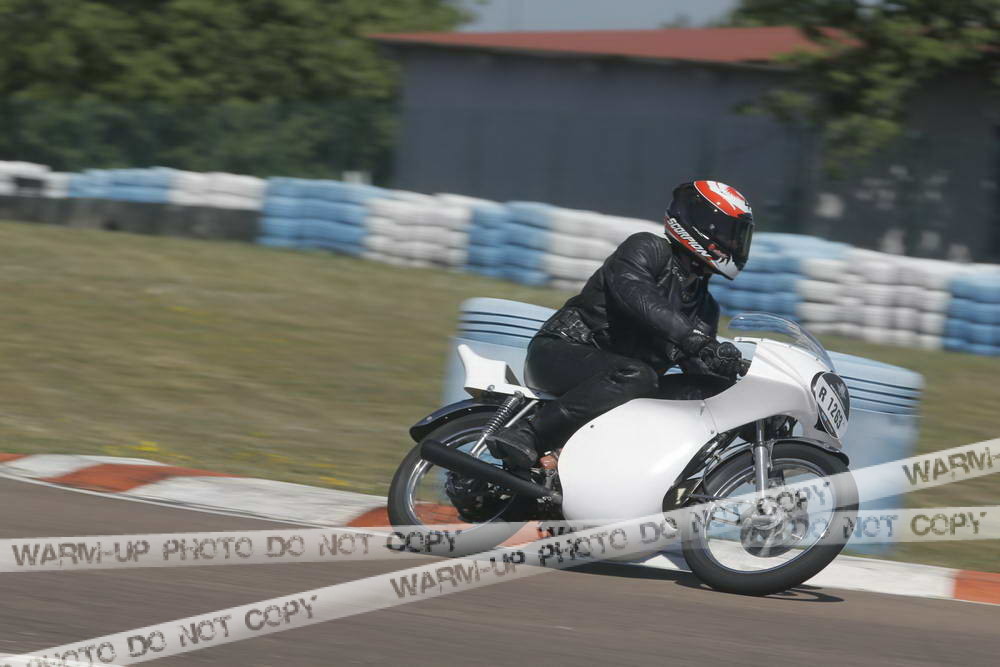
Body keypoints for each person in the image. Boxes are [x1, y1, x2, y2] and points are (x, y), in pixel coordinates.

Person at [487, 180, 754, 469]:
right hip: (560, 352)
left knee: (703, 393)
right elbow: (640, 299)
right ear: (701, 226)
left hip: (625, 382)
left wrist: (739, 387)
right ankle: (529, 432)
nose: (734, 244)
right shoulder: (646, 248)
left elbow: (698, 368)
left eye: (738, 237)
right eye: (729, 234)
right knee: (639, 376)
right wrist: (697, 340)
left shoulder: (705, 308)